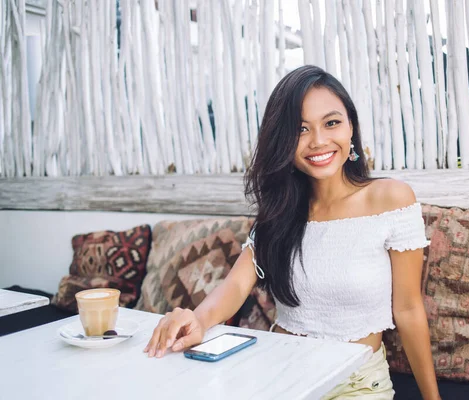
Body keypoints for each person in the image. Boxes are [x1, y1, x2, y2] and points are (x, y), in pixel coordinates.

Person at [144, 65, 441, 400]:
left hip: (357, 385)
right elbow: (235, 286)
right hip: (281, 372)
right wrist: (196, 319)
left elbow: (408, 309)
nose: (318, 141)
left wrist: (432, 398)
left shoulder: (391, 199)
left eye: (331, 123)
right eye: (301, 129)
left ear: (351, 127)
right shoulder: (280, 214)